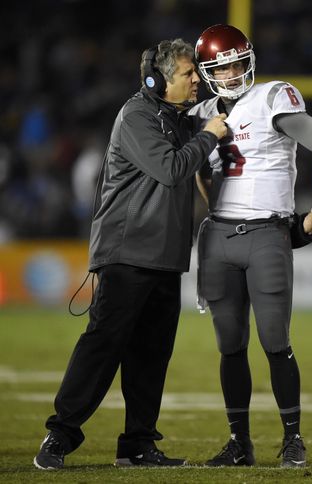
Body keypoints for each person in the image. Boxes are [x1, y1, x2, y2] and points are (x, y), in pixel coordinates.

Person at [33, 38, 227, 470]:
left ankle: (137, 444)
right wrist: (210, 135)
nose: (197, 79)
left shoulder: (176, 118)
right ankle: (59, 436)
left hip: (164, 256)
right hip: (127, 252)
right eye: (188, 74)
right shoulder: (137, 114)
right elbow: (172, 168)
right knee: (103, 346)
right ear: (158, 80)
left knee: (152, 355)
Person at [190, 24, 312, 468]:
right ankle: (239, 443)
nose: (234, 72)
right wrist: (215, 208)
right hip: (219, 238)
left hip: (266, 233)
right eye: (223, 67)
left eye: (239, 62)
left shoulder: (272, 96)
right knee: (229, 345)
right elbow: (200, 171)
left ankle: (292, 438)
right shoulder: (202, 112)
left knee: (275, 341)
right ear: (207, 74)